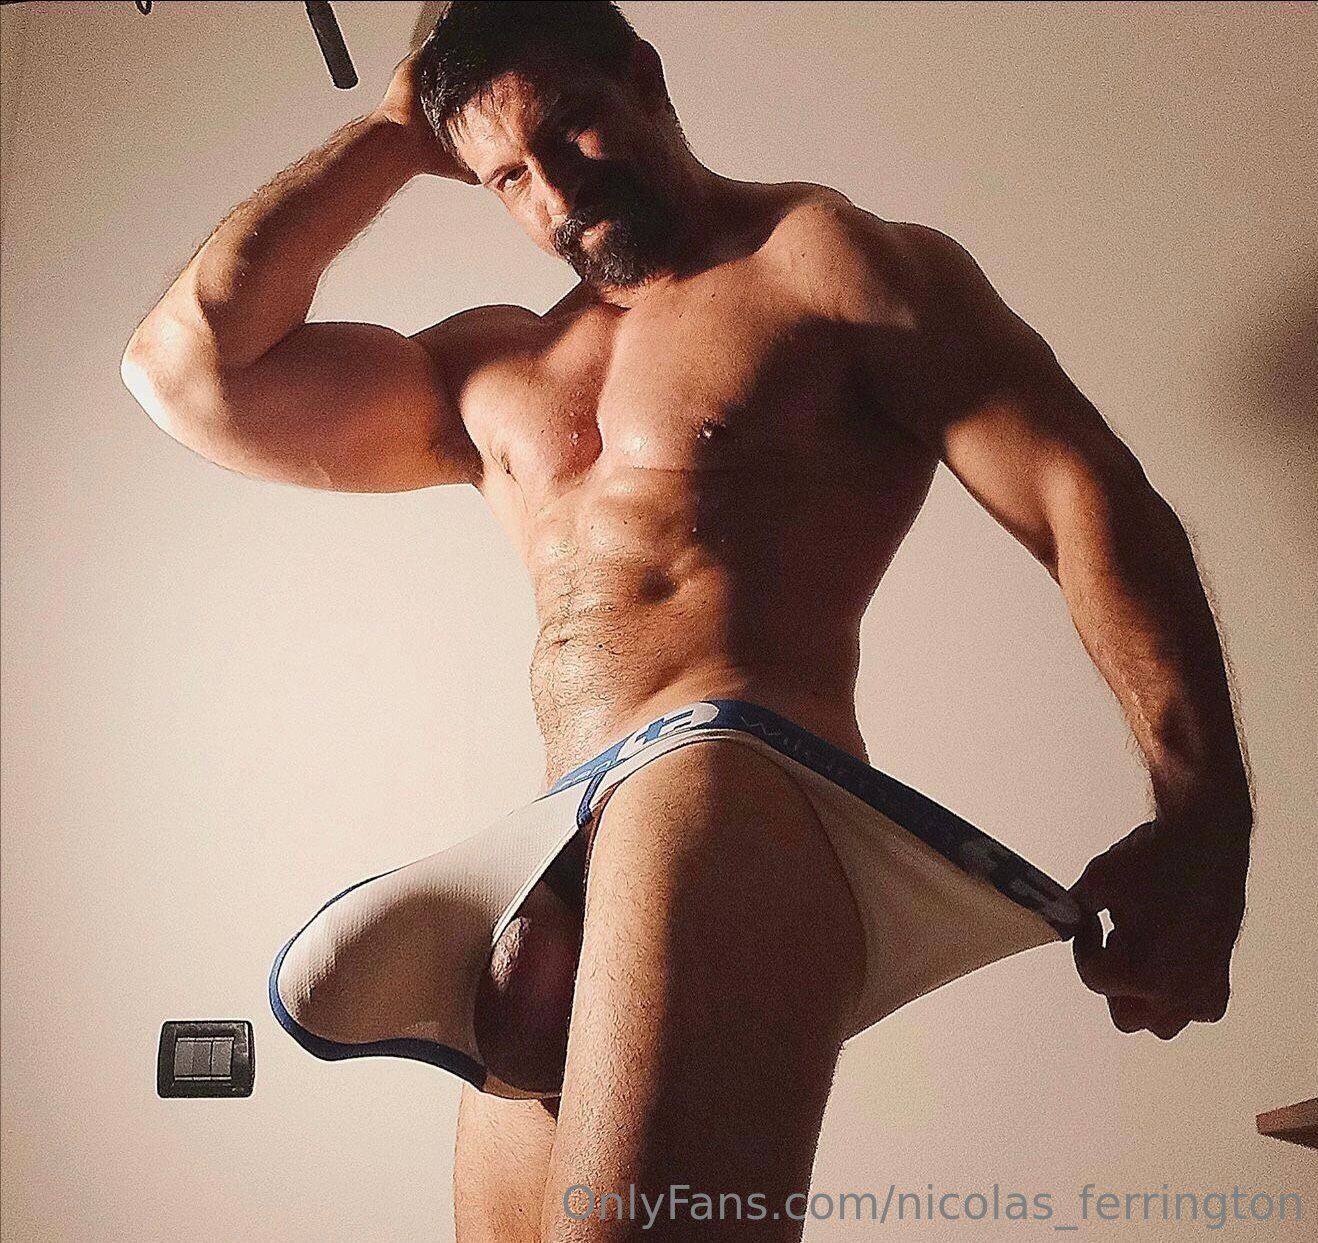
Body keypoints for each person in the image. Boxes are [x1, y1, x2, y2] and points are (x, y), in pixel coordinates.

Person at [120, 4, 1253, 1240]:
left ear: (642, 77)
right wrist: (392, 132)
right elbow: (188, 373)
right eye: (507, 175)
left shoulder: (824, 263)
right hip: (547, 839)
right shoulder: (494, 366)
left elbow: (1082, 497)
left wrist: (1202, 816)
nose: (555, 191)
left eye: (570, 126)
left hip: (733, 785)